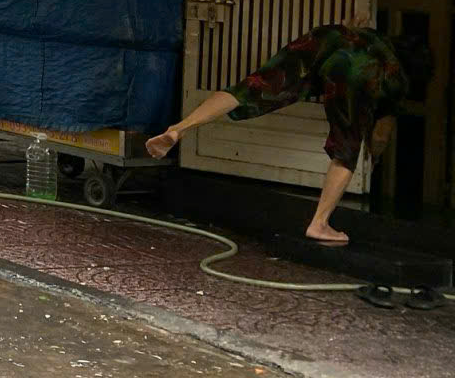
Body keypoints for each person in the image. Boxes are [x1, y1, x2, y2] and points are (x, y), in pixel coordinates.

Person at [148, 24, 432, 245]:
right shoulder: (396, 76)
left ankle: (177, 130)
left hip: (328, 37)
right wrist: (375, 155)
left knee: (250, 88)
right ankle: (319, 224)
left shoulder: (372, 35)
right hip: (355, 70)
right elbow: (380, 135)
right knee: (346, 149)